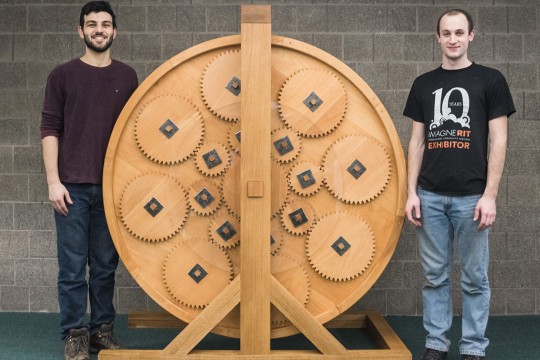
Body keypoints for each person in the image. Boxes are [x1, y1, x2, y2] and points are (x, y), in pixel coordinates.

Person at [403, 9, 515, 360]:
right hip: (430, 196)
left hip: (473, 199)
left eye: (459, 32)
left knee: (473, 279)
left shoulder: (491, 80)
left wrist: (490, 196)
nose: (453, 38)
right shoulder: (423, 84)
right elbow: (417, 142)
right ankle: (436, 344)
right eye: (446, 33)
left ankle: (472, 348)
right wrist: (411, 193)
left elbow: (499, 140)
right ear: (437, 38)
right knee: (434, 277)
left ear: (471, 36)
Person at [40, 1, 138, 359]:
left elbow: (135, 134)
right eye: (92, 24)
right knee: (71, 269)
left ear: (115, 31)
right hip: (72, 189)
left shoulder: (128, 76)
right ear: (80, 31)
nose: (99, 29)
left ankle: (101, 332)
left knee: (104, 267)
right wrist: (54, 181)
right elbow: (50, 129)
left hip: (113, 189)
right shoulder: (62, 75)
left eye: (106, 24)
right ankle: (74, 334)